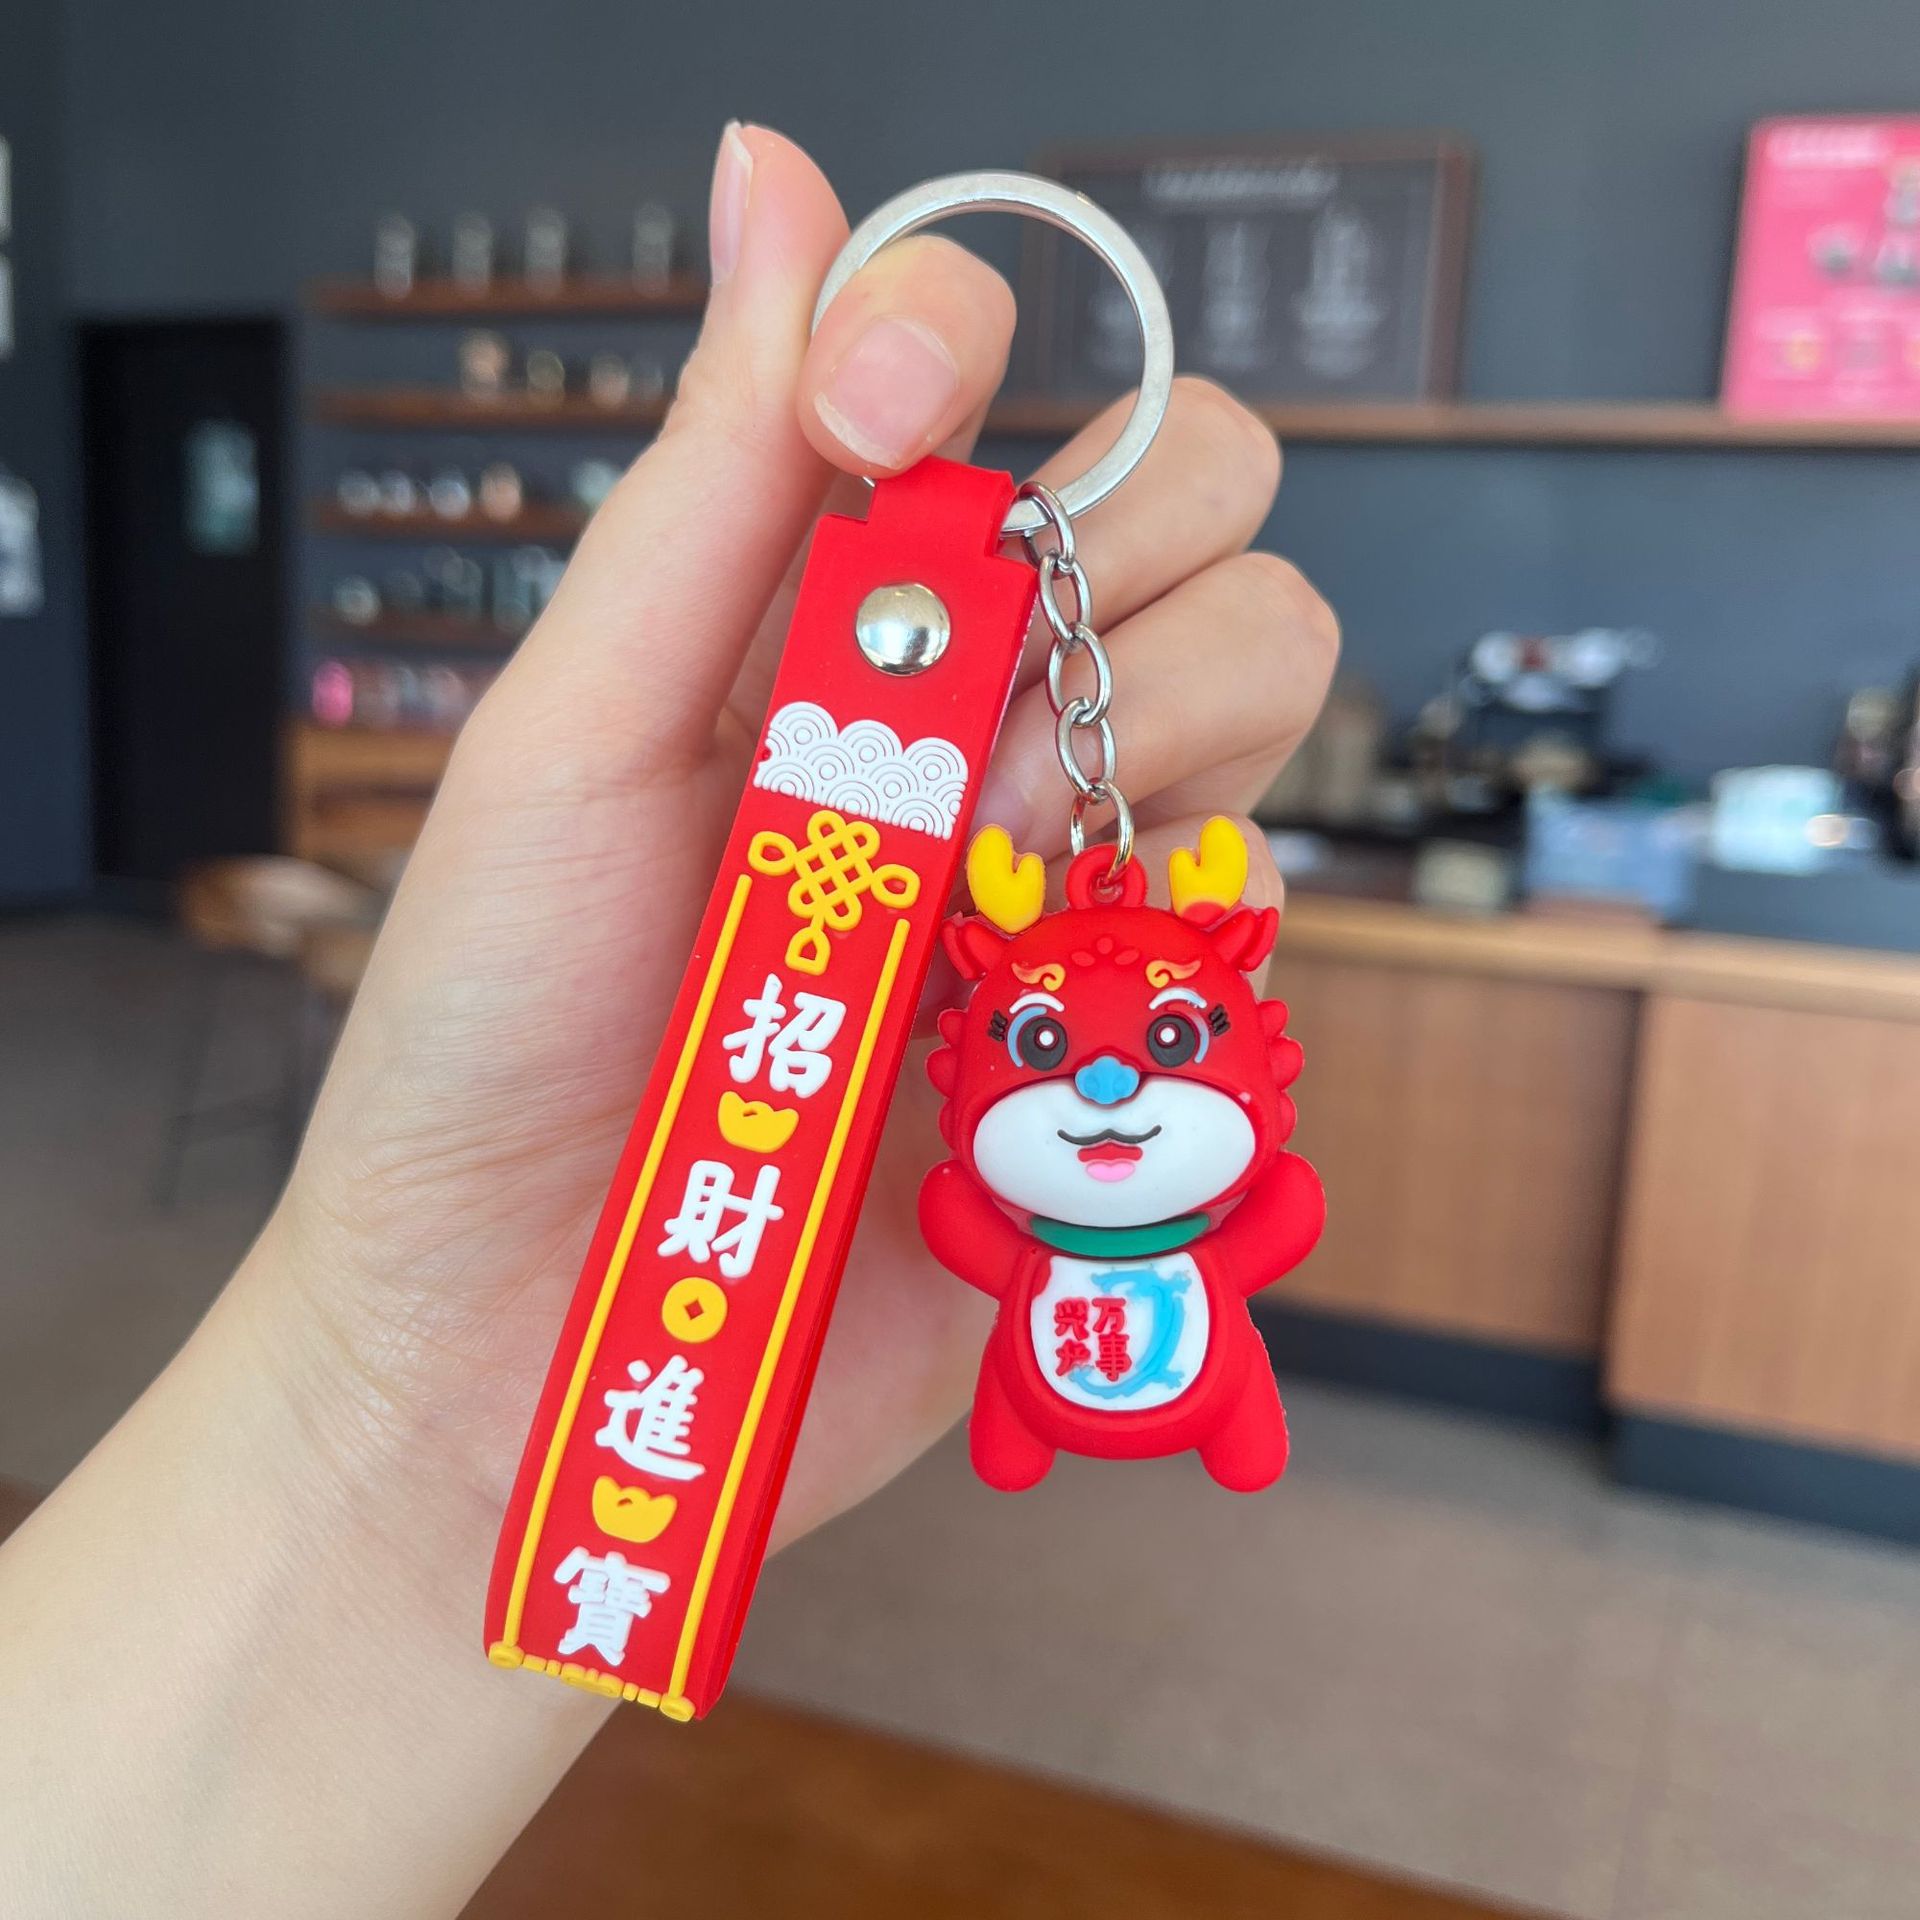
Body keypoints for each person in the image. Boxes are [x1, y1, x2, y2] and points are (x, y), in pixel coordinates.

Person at [0, 124, 1337, 1915]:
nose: (1103, 1079)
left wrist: (409, 1488)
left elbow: (1253, 1206)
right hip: (651, 1376)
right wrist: (392, 1438)